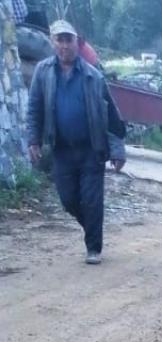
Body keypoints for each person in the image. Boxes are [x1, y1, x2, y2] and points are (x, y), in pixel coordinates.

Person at [26, 19, 126, 265]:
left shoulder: (93, 77)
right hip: (61, 150)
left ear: (77, 42)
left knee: (92, 201)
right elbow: (34, 108)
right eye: (59, 40)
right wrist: (33, 140)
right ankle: (91, 227)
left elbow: (111, 118)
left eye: (68, 40)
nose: (64, 45)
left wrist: (118, 150)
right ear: (53, 42)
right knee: (68, 199)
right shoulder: (43, 72)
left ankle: (93, 247)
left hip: (91, 149)